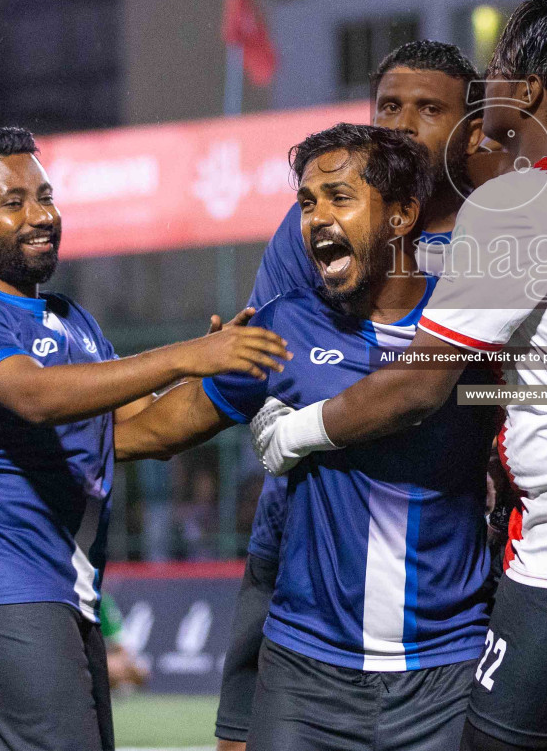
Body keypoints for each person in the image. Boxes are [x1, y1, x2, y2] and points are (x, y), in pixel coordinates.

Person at [253, 0, 547, 751]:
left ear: (527, 91)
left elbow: (419, 385)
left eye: (498, 69)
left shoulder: (518, 203)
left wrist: (294, 433)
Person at [117, 124, 499, 751]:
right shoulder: (283, 328)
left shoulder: (468, 328)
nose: (317, 218)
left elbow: (539, 405)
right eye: (307, 201)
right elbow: (151, 433)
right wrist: (36, 418)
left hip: (447, 671)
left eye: (339, 197)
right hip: (305, 673)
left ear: (402, 215)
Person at [0, 126, 288, 751]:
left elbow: (150, 431)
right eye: (14, 203)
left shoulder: (72, 322)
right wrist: (189, 354)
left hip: (63, 590)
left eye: (46, 196)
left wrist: (239, 374)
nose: (42, 216)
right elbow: (37, 397)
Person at [216, 40, 486, 751]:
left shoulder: (498, 239)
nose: (404, 124)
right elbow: (275, 343)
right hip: (307, 538)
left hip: (450, 570)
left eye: (429, 109)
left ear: (470, 125)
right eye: (389, 106)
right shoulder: (315, 223)